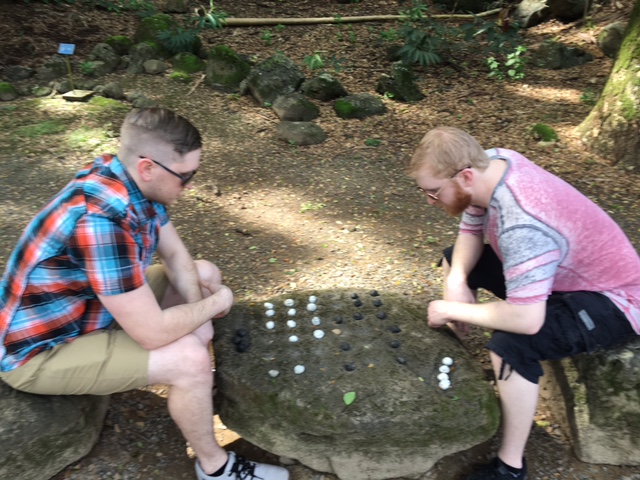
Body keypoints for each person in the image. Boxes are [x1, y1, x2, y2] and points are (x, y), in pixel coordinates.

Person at [0, 108, 289, 480]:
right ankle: (216, 468)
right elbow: (151, 333)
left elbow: (175, 254)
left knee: (203, 275)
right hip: (41, 351)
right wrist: (216, 304)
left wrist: (196, 306)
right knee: (190, 360)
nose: (190, 185)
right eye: (186, 177)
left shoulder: (131, 180)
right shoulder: (100, 220)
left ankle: (193, 392)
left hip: (90, 310)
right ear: (149, 167)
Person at [409, 126, 640, 480]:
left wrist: (449, 309)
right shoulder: (493, 162)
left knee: (509, 345)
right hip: (563, 275)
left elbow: (526, 319)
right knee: (452, 260)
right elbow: (470, 231)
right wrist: (456, 281)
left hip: (614, 299)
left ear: (466, 176)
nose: (429, 201)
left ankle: (510, 466)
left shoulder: (523, 223)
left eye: (433, 192)